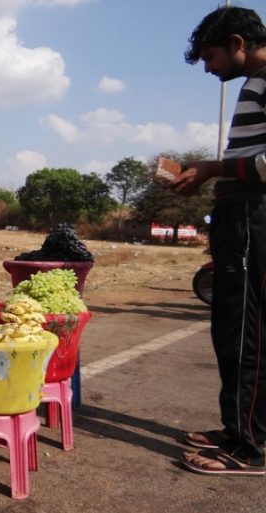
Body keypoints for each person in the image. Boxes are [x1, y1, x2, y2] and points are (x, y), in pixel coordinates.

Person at [170, 6, 266, 476]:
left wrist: (213, 168)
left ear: (237, 42)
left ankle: (252, 449)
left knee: (249, 333)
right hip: (238, 219)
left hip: (255, 220)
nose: (209, 68)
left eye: (211, 56)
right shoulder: (255, 83)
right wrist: (210, 175)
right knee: (229, 329)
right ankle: (236, 428)